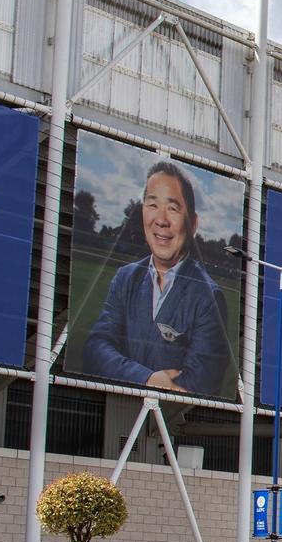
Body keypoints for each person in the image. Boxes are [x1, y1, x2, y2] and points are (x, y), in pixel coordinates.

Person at [78, 160, 232, 396]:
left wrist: (122, 371)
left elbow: (199, 383)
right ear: (142, 212)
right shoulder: (125, 278)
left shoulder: (208, 296)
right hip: (114, 406)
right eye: (152, 205)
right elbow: (95, 349)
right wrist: (147, 378)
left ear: (193, 223)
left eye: (173, 208)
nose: (161, 220)